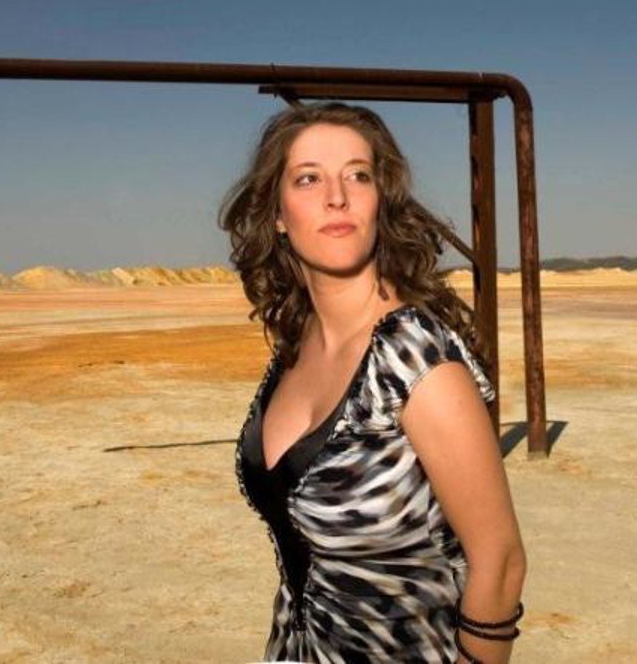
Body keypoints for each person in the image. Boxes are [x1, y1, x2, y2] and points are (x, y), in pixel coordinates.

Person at [219, 102, 526, 663]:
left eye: (358, 175)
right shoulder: (298, 341)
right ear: (277, 214)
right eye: (308, 178)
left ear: (380, 201)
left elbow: (500, 561)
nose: (337, 196)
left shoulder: (416, 360)